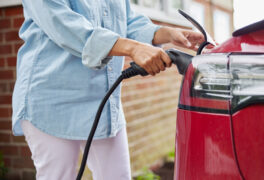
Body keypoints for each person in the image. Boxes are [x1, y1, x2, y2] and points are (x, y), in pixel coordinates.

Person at [12, 0, 205, 179]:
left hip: (102, 99)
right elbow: (62, 24)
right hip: (52, 97)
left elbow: (127, 21)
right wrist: (132, 48)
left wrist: (167, 33)